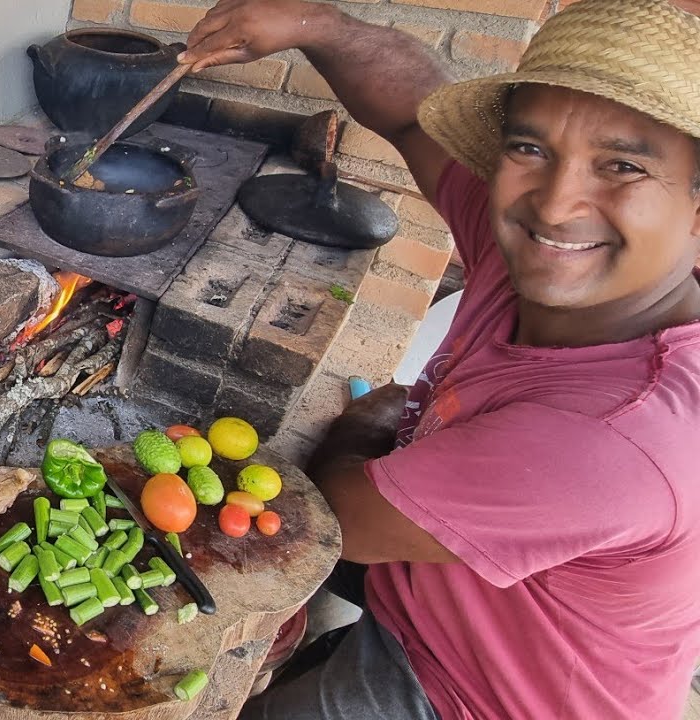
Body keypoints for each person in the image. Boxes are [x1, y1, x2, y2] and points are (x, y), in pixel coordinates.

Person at [180, 0, 700, 718]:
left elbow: (339, 525)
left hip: (471, 695)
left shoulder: (614, 436)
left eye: (623, 165)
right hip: (450, 608)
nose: (555, 206)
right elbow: (407, 112)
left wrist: (368, 422)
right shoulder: (539, 257)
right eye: (531, 150)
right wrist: (315, 25)